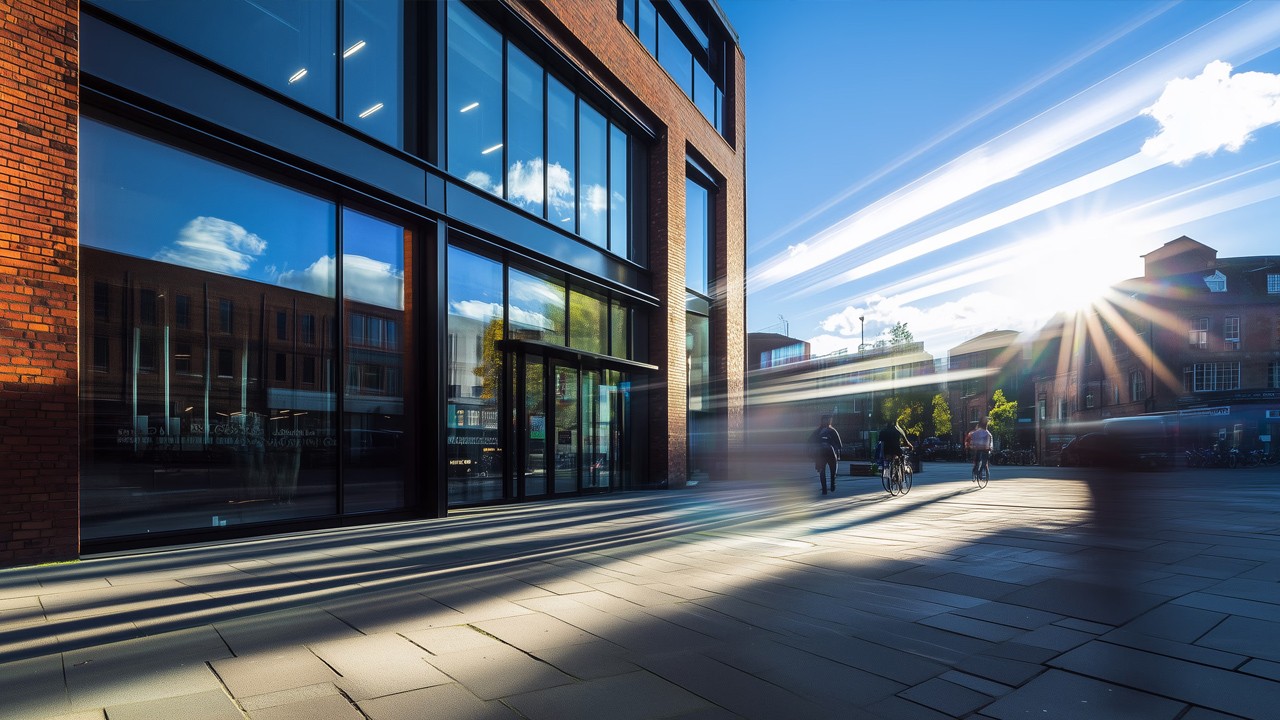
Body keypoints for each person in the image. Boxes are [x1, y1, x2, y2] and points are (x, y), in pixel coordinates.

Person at [808, 415, 842, 495]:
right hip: (828, 453)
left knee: (824, 472)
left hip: (824, 454)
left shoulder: (818, 431)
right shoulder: (832, 431)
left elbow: (810, 441)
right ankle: (830, 486)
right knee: (830, 472)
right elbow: (839, 444)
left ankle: (826, 489)